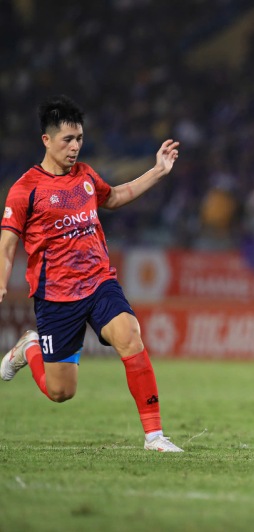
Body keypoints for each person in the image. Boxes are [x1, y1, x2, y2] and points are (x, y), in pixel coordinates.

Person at [0, 95, 183, 452]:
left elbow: (114, 197)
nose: (75, 146)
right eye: (67, 139)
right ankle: (29, 348)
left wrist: (158, 170)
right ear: (46, 140)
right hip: (55, 296)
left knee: (131, 336)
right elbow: (7, 244)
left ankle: (155, 436)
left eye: (79, 138)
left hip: (99, 282)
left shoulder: (84, 175)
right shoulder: (25, 190)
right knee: (60, 392)